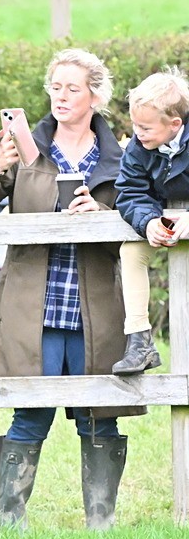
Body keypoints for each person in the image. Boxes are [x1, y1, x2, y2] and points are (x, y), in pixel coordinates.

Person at [0, 48, 139, 531]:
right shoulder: (24, 147)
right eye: (55, 86)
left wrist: (105, 217)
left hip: (94, 307)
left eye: (72, 88)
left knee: (100, 417)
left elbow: (140, 216)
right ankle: (11, 527)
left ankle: (103, 527)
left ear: (95, 96)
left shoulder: (122, 158)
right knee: (30, 414)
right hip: (34, 308)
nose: (60, 96)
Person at [113, 68, 189, 375]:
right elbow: (130, 190)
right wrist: (148, 222)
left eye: (145, 127)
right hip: (165, 218)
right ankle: (140, 342)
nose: (137, 133)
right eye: (134, 125)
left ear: (175, 124)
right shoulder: (138, 146)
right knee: (131, 251)